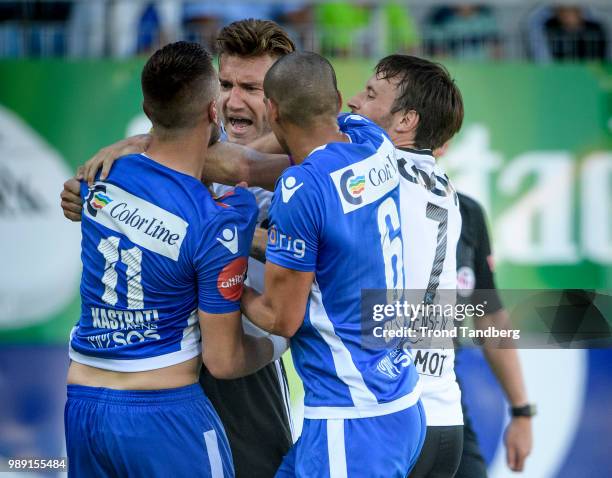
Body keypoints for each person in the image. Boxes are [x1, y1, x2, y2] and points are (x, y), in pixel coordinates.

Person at [61, 19, 296, 478]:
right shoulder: (190, 147)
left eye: (251, 87)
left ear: (281, 98)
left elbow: (238, 165)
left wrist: (138, 144)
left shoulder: (300, 166)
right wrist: (84, 192)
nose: (233, 100)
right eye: (226, 84)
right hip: (169, 373)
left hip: (247, 377)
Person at [453, 192, 534, 477]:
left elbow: (491, 318)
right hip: (377, 404)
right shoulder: (366, 201)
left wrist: (521, 411)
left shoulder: (466, 212)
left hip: (444, 404)